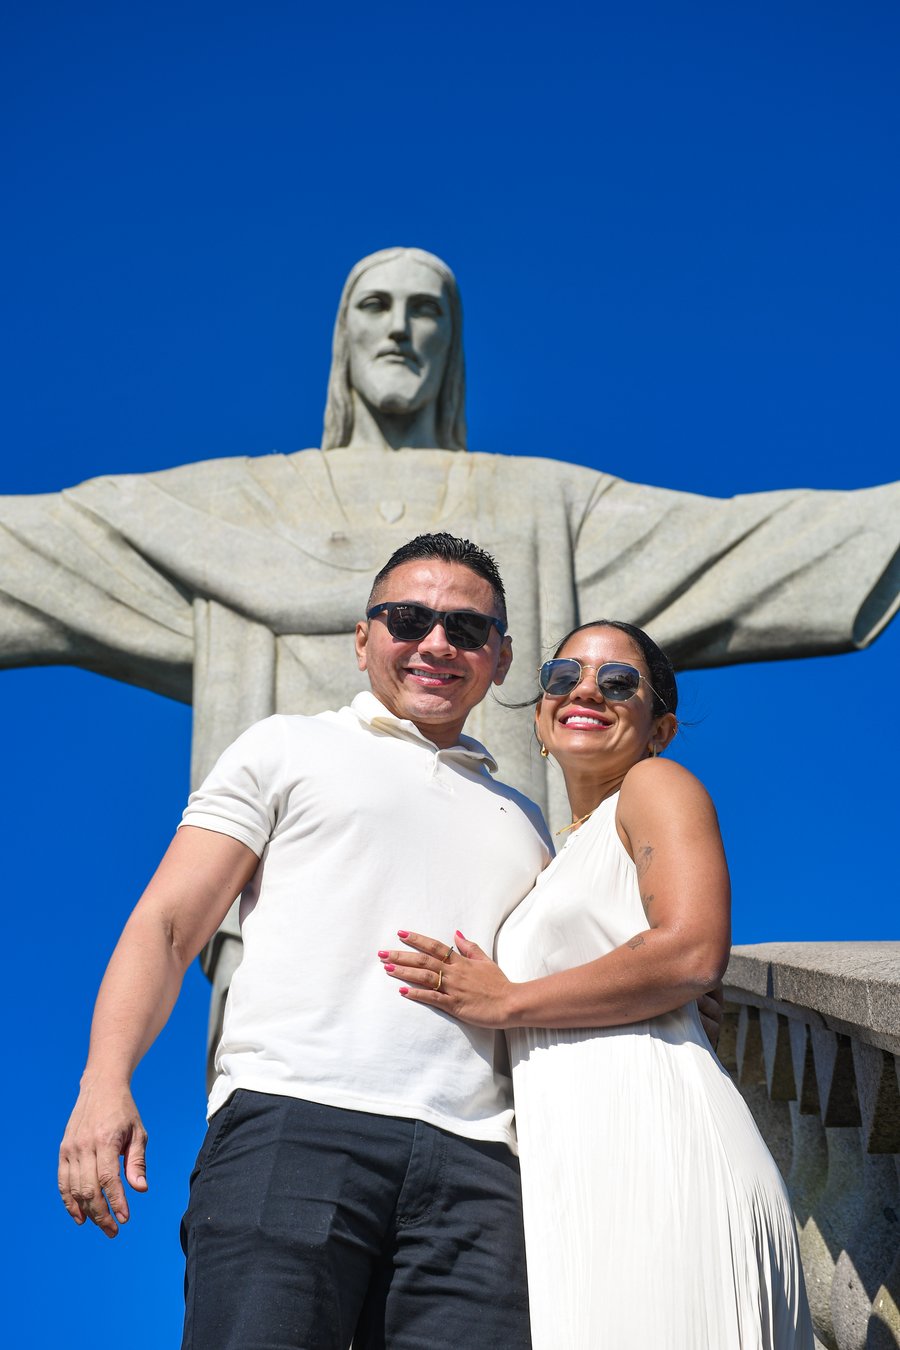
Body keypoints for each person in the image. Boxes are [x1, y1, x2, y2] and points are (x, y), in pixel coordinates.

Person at [3, 247, 898, 1073]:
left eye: (425, 309)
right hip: (290, 1008)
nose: (399, 328)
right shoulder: (233, 509)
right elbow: (44, 549)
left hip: (489, 1002)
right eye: (375, 306)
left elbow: (755, 545)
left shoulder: (543, 506)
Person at [61, 531, 556, 1349]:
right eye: (408, 619)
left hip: (482, 1169)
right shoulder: (288, 747)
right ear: (363, 640)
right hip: (294, 1123)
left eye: (467, 629)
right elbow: (169, 925)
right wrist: (103, 1082)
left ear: (499, 660)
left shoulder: (527, 824)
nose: (437, 643)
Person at [380, 618, 814, 1348]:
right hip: (582, 1175)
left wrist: (507, 999)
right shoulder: (561, 859)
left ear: (660, 729)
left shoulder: (655, 783)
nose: (586, 691)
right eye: (564, 677)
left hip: (660, 1149)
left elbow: (691, 951)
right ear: (540, 720)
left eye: (618, 682)